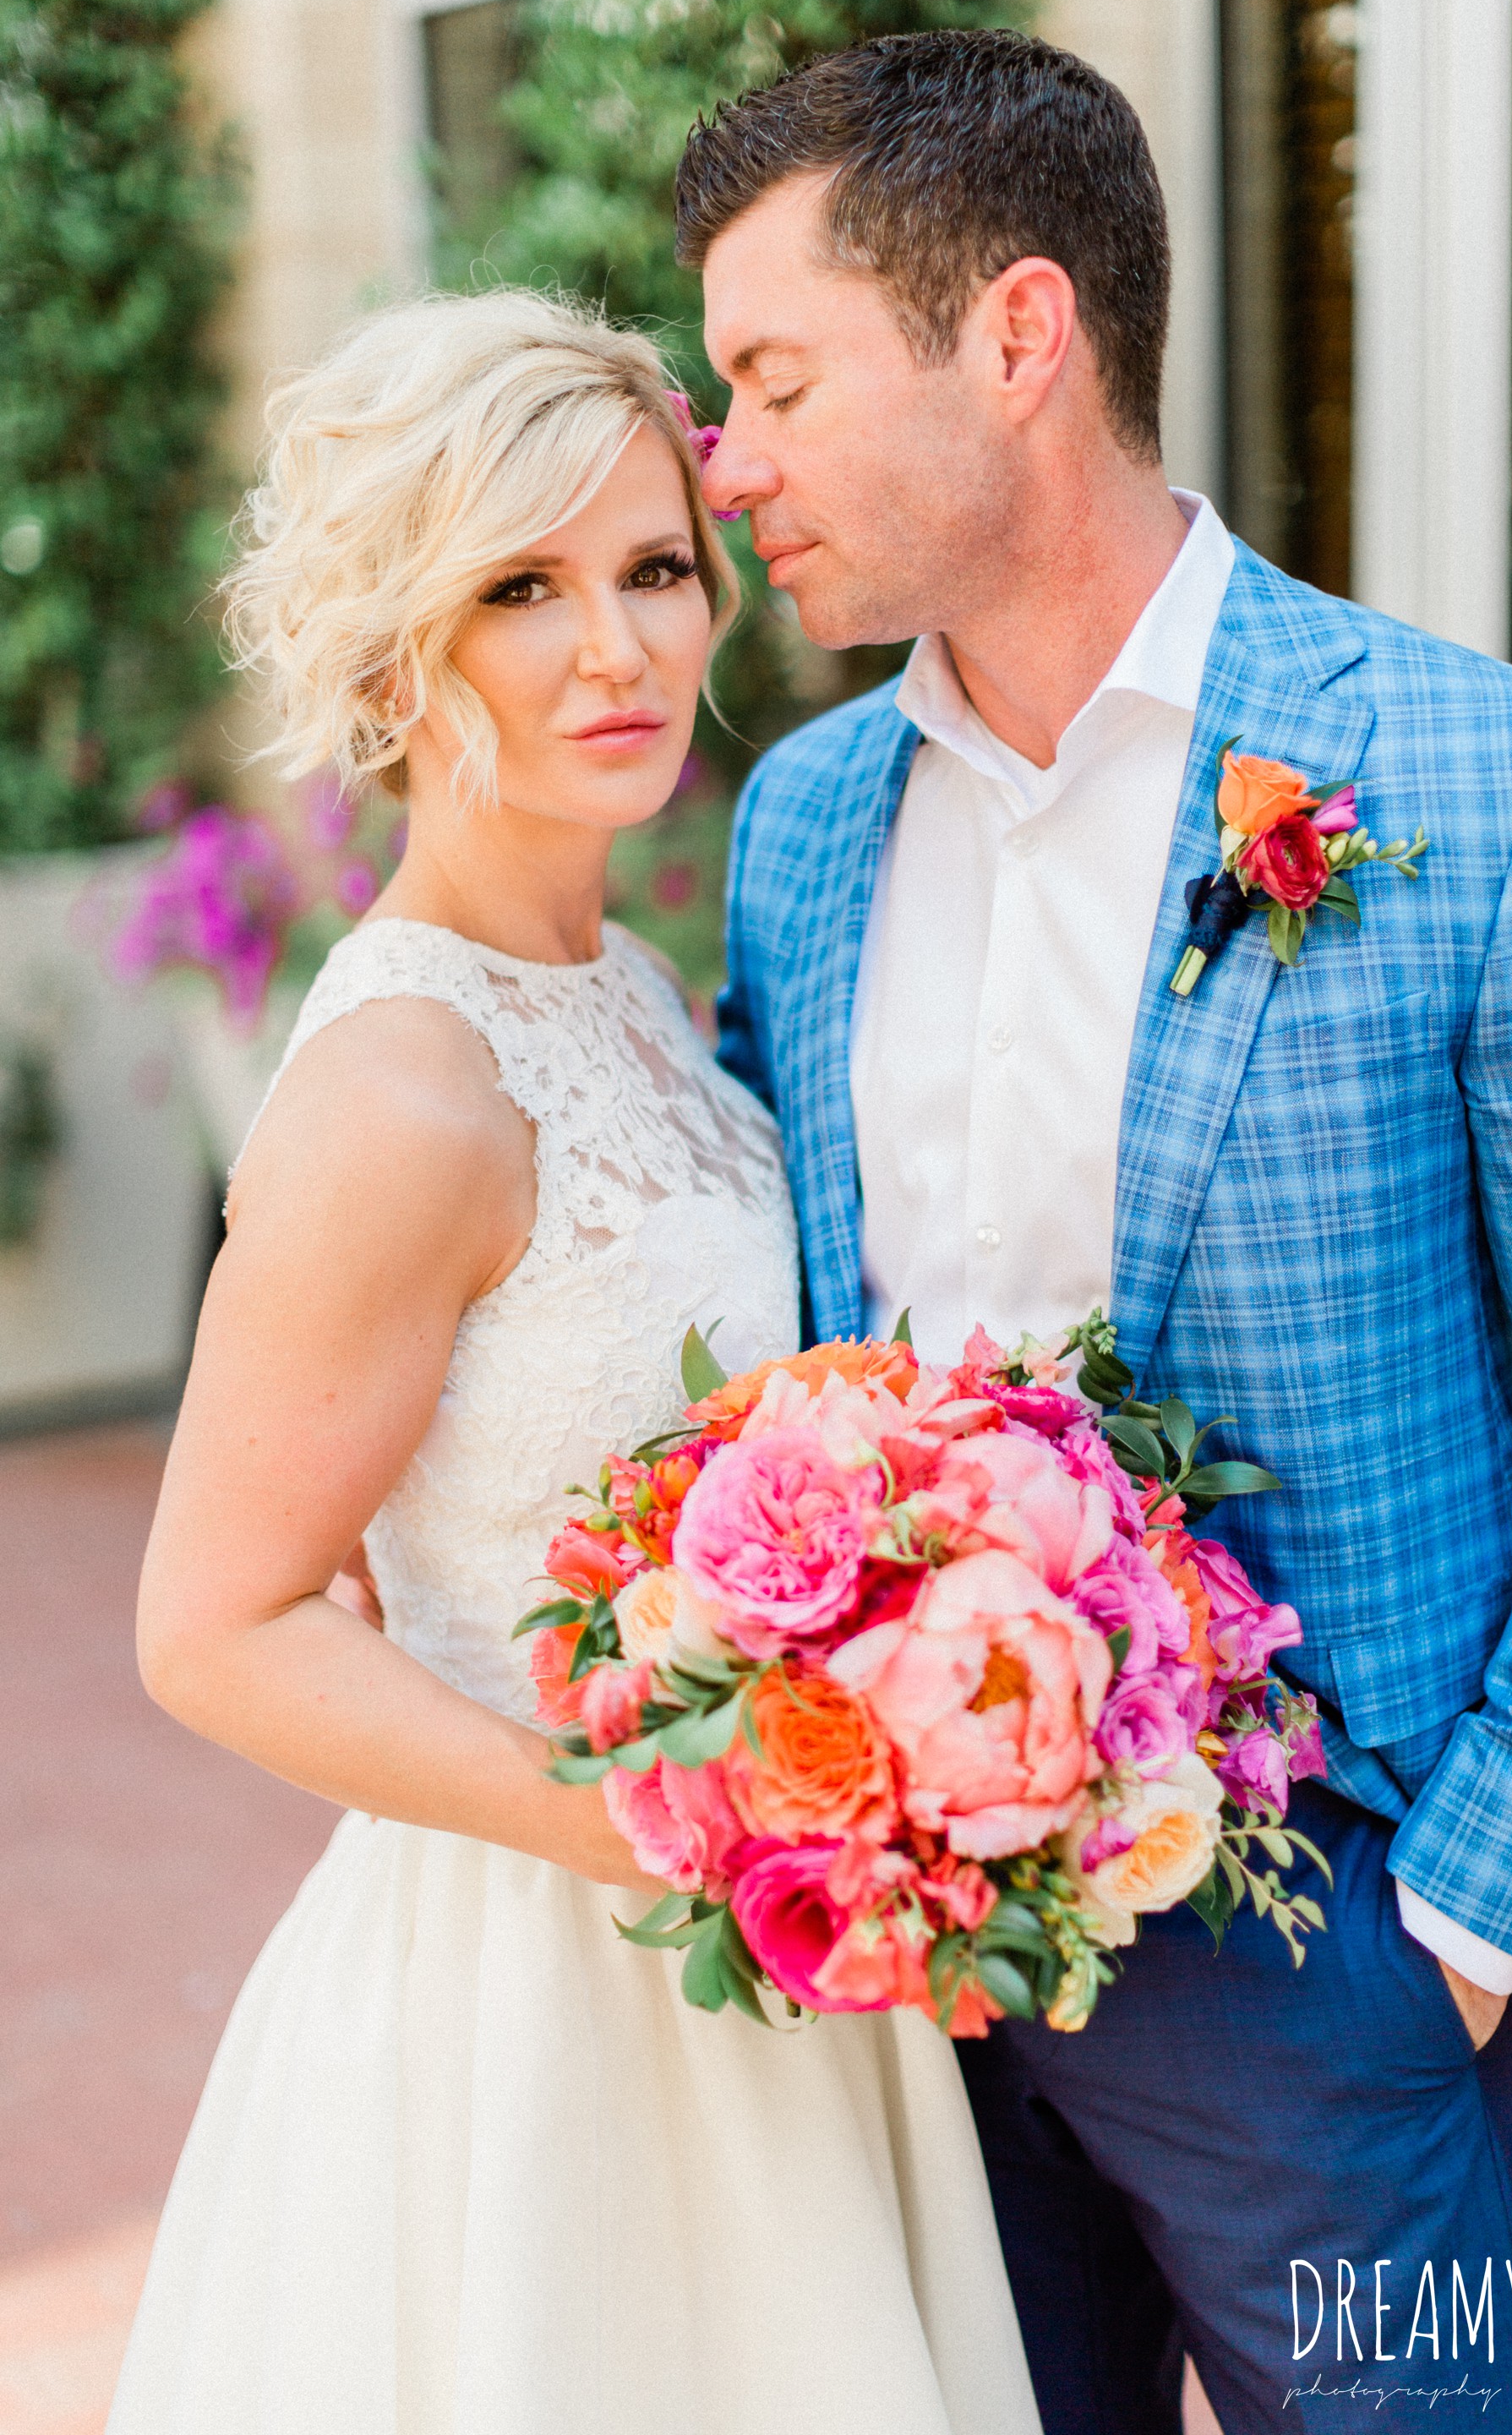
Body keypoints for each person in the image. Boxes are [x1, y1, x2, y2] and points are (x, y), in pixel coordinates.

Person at [681, 28, 1512, 2434]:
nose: (730, 471)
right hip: (900, 1979)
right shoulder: (803, 824)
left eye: (775, 380)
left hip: (1324, 1964)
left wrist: (1450, 1933)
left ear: (1017, 336)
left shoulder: (1500, 780)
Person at [110, 291, 1040, 2435]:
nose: (612, 649)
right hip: (538, 1996)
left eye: (647, 568)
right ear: (392, 644)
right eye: (519, 589)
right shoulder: (405, 1081)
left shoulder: (631, 979)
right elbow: (214, 1623)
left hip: (772, 1959)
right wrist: (667, 1816)